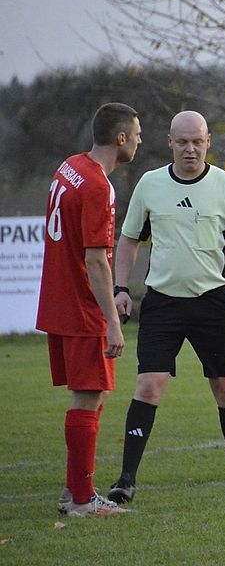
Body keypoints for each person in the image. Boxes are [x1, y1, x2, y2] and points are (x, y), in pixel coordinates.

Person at [107, 110, 225, 503]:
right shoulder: (150, 184)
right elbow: (128, 240)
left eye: (197, 141)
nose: (190, 149)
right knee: (149, 385)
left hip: (212, 302)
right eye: (183, 142)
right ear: (170, 143)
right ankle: (125, 480)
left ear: (208, 142)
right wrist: (120, 288)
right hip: (162, 303)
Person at [37, 102, 142, 517]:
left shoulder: (70, 165)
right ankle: (82, 500)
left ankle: (73, 490)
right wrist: (112, 324)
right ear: (120, 139)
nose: (138, 140)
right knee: (88, 397)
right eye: (135, 133)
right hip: (82, 308)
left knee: (89, 396)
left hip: (58, 300)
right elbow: (96, 259)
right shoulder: (98, 185)